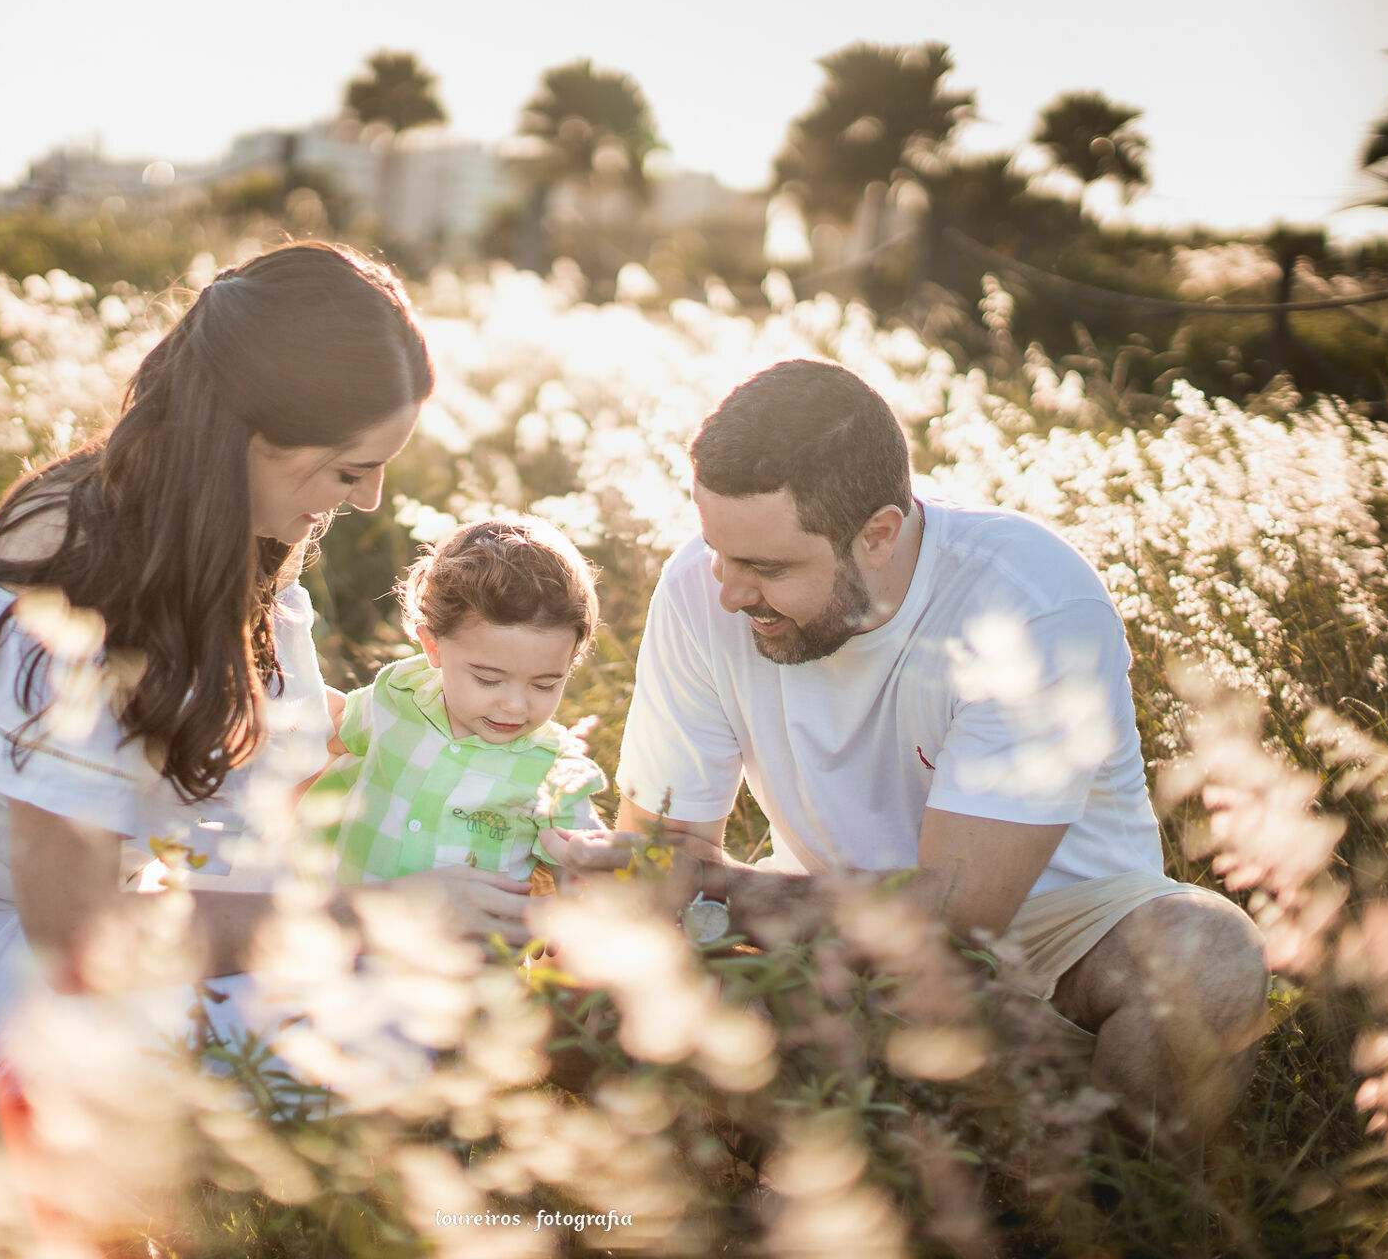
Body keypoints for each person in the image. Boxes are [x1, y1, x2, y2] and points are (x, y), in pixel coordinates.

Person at [0, 243, 538, 1097]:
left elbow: (280, 756)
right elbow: (82, 941)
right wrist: (374, 917)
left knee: (416, 1003)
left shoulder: (228, 540)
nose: (370, 499)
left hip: (20, 929)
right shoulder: (64, 583)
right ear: (251, 434)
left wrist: (488, 781)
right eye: (351, 469)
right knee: (349, 1045)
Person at [543, 358, 1269, 1155]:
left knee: (1210, 957)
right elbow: (665, 853)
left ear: (879, 535)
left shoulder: (1029, 605)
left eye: (767, 567)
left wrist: (715, 890)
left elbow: (956, 917)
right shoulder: (699, 589)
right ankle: (835, 1161)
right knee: (579, 992)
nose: (729, 592)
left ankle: (1101, 1199)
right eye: (719, 550)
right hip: (820, 933)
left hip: (1054, 947)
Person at [303, 516, 607, 885]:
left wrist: (579, 876)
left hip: (465, 941)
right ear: (433, 646)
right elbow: (326, 730)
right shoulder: (398, 694)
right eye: (487, 679)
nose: (514, 705)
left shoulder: (556, 772)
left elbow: (580, 869)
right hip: (347, 925)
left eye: (544, 685)